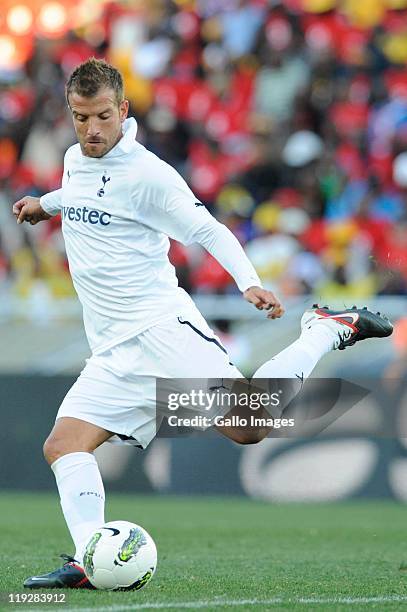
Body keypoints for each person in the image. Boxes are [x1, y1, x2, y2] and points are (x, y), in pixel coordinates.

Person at [13, 59, 393, 589]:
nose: (93, 130)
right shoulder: (77, 160)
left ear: (123, 110)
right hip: (114, 354)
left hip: (163, 332)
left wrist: (249, 282)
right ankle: (89, 559)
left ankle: (326, 328)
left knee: (251, 425)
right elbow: (82, 196)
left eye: (103, 117)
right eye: (81, 118)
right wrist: (44, 205)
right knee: (63, 445)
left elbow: (210, 230)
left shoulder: (150, 175)